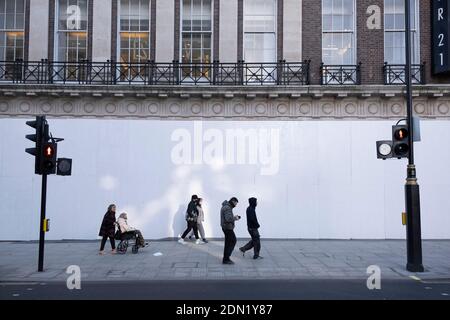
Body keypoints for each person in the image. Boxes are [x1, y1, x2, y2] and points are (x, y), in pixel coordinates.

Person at [221, 197, 241, 264]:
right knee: (233, 241)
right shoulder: (227, 208)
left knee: (228, 243)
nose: (236, 205)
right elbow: (228, 219)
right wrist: (235, 218)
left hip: (225, 227)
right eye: (235, 203)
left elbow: (228, 217)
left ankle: (225, 258)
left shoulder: (226, 207)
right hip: (227, 227)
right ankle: (226, 258)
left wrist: (233, 217)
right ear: (232, 201)